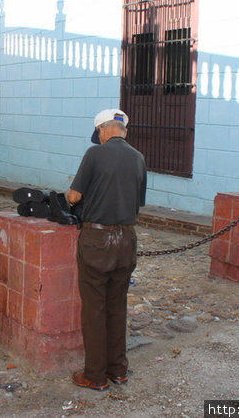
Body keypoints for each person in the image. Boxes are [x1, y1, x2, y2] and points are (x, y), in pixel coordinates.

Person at [65, 108, 147, 391]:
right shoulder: (138, 158)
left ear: (102, 129)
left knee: (94, 309)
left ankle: (95, 375)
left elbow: (75, 195)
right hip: (127, 240)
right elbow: (137, 201)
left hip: (97, 241)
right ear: (124, 130)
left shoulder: (94, 154)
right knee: (117, 305)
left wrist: (70, 193)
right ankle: (118, 370)